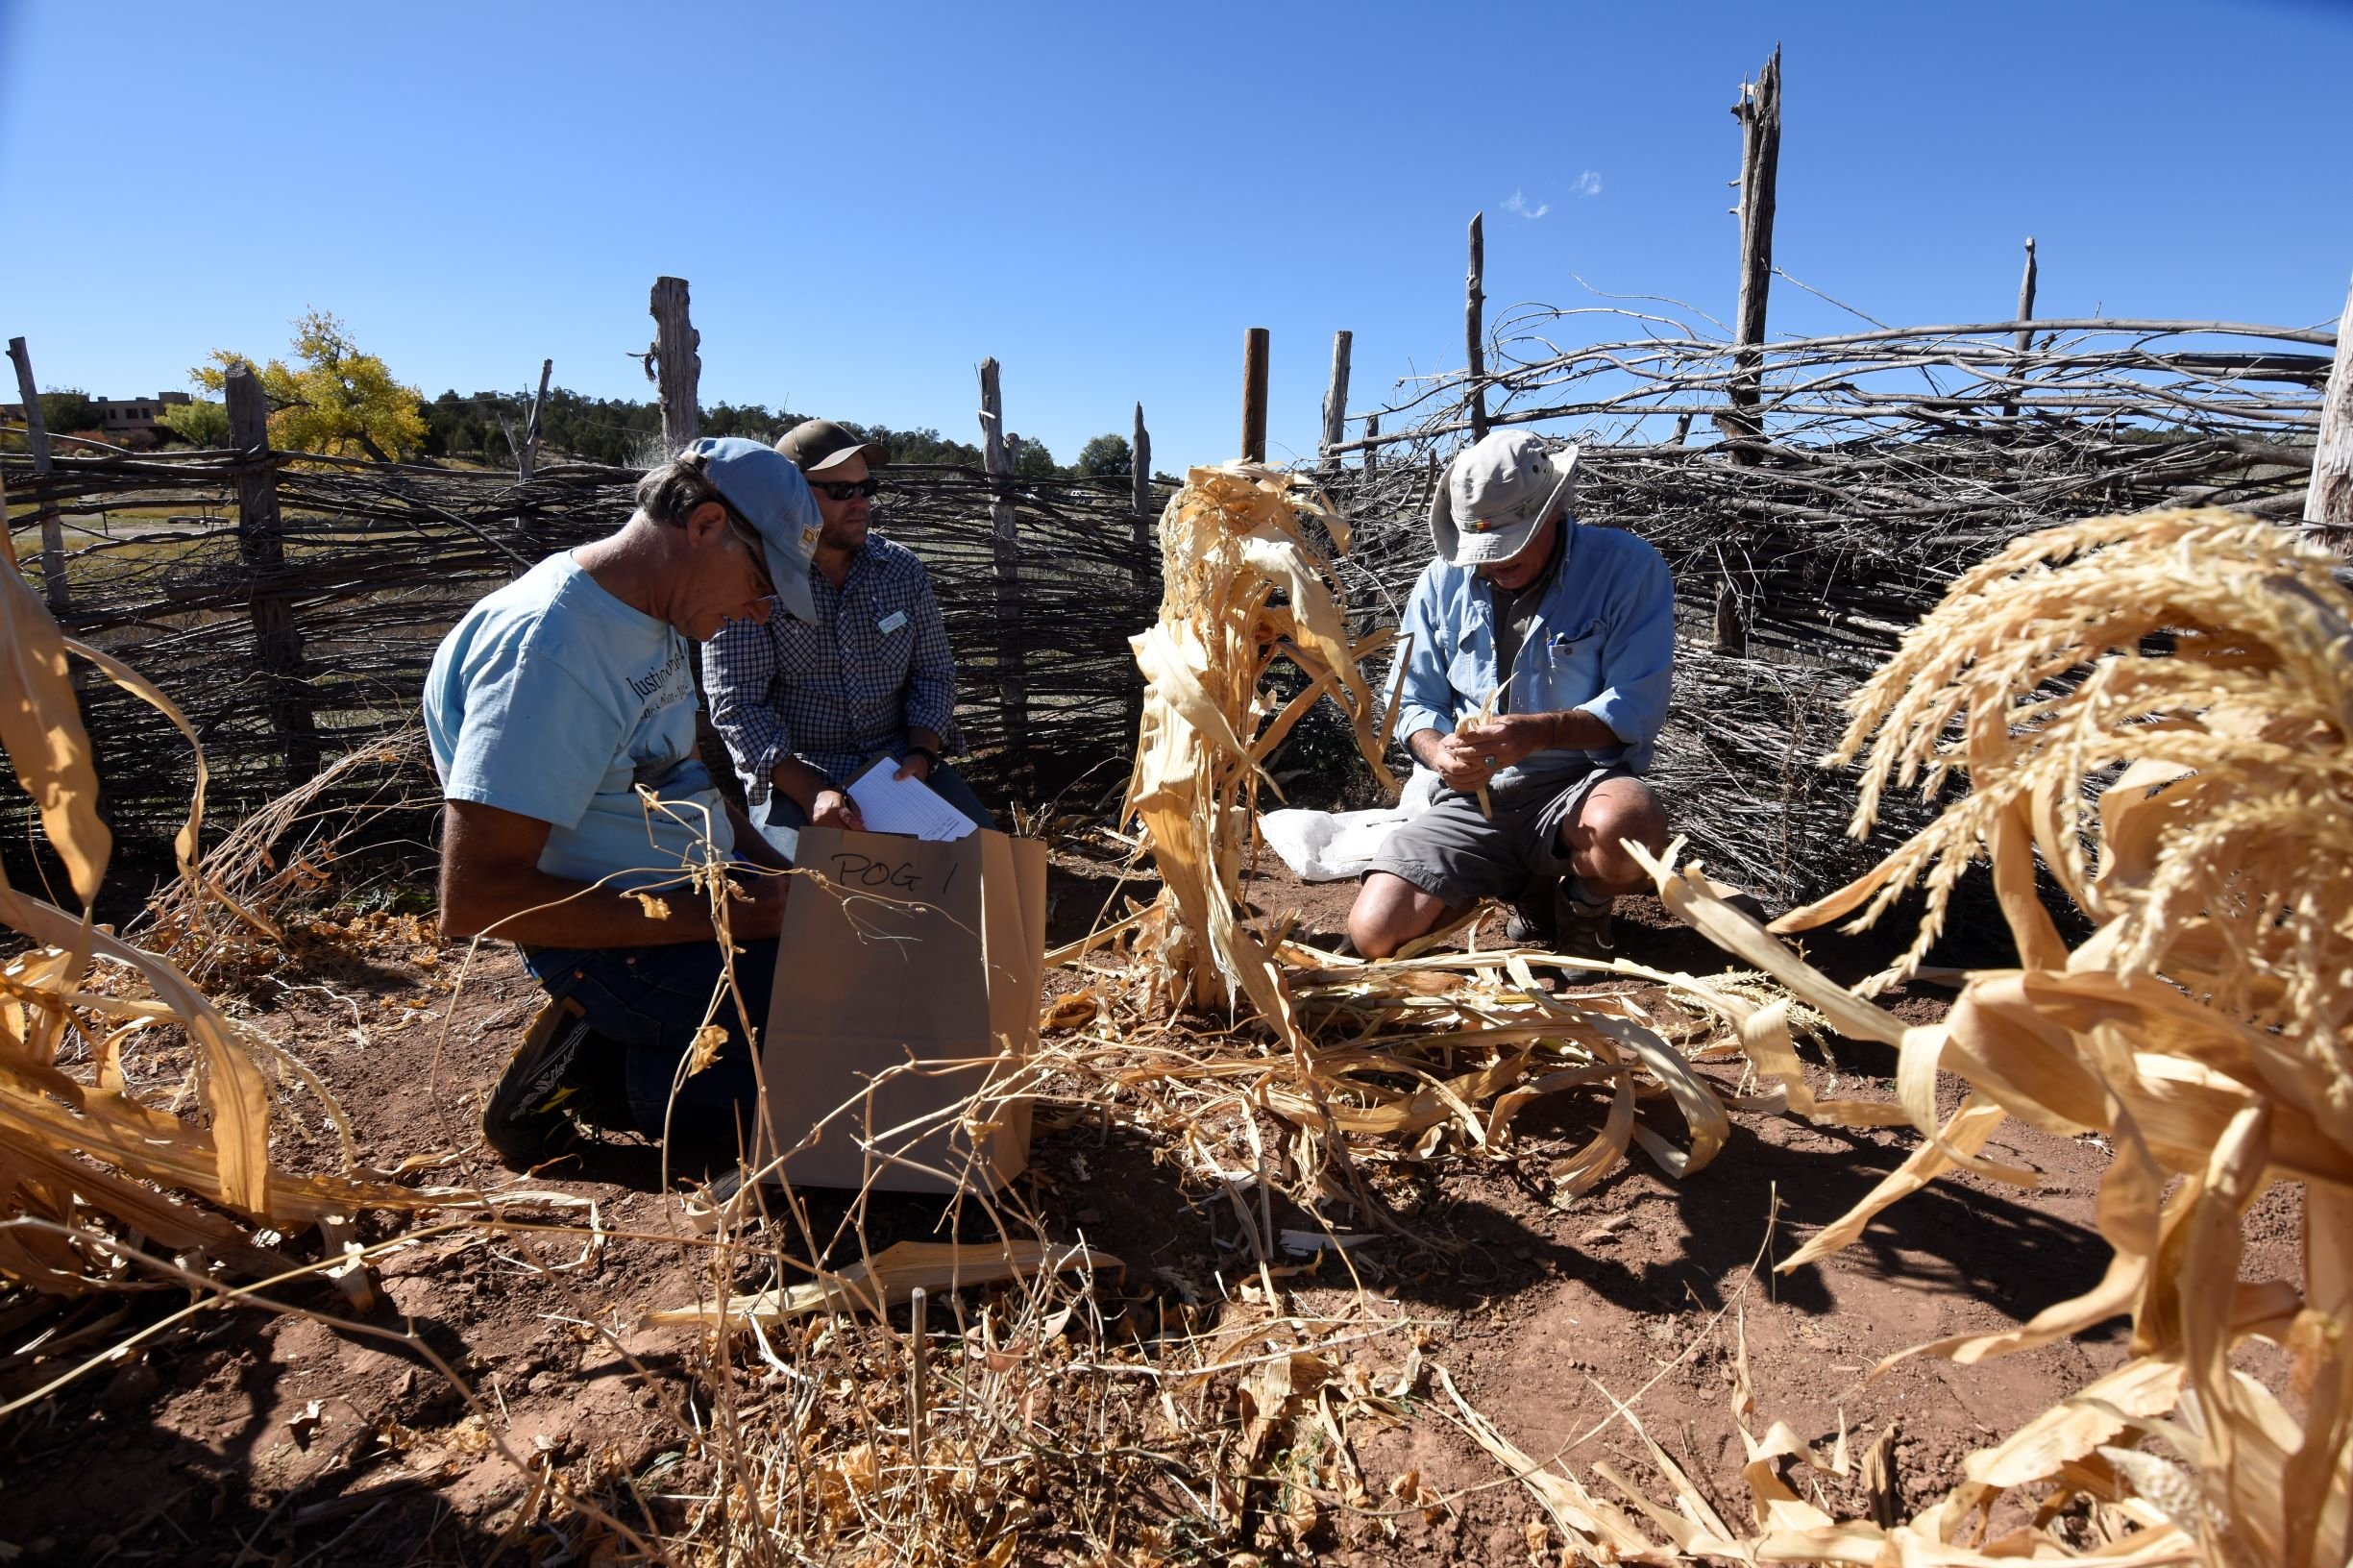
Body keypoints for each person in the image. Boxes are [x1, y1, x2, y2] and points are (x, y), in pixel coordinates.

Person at [425, 437, 822, 1165]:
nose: (761, 612)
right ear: (704, 526)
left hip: (692, 900)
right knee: (823, 1072)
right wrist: (727, 915)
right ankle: (599, 1074)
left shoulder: (650, 612)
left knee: (859, 980)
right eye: (762, 582)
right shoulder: (549, 654)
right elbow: (477, 899)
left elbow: (679, 777)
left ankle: (622, 1047)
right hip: (611, 937)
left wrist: (776, 872)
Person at [1347, 429, 1675, 962]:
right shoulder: (1440, 583)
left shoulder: (1627, 569)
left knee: (1629, 821)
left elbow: (1636, 705)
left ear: (1555, 511)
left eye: (1512, 546)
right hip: (1472, 799)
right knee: (1375, 933)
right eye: (1482, 552)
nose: (1494, 566)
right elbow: (1409, 700)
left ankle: (1584, 906)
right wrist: (1438, 753)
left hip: (1578, 788)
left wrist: (1539, 733)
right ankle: (1524, 890)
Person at [702, 419, 993, 860]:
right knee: (806, 901)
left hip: (898, 770)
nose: (860, 503)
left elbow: (933, 673)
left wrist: (921, 755)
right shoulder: (752, 577)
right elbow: (737, 704)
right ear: (792, 495)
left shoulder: (900, 570)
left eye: (865, 488)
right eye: (840, 491)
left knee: (993, 872)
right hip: (798, 774)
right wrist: (812, 792)